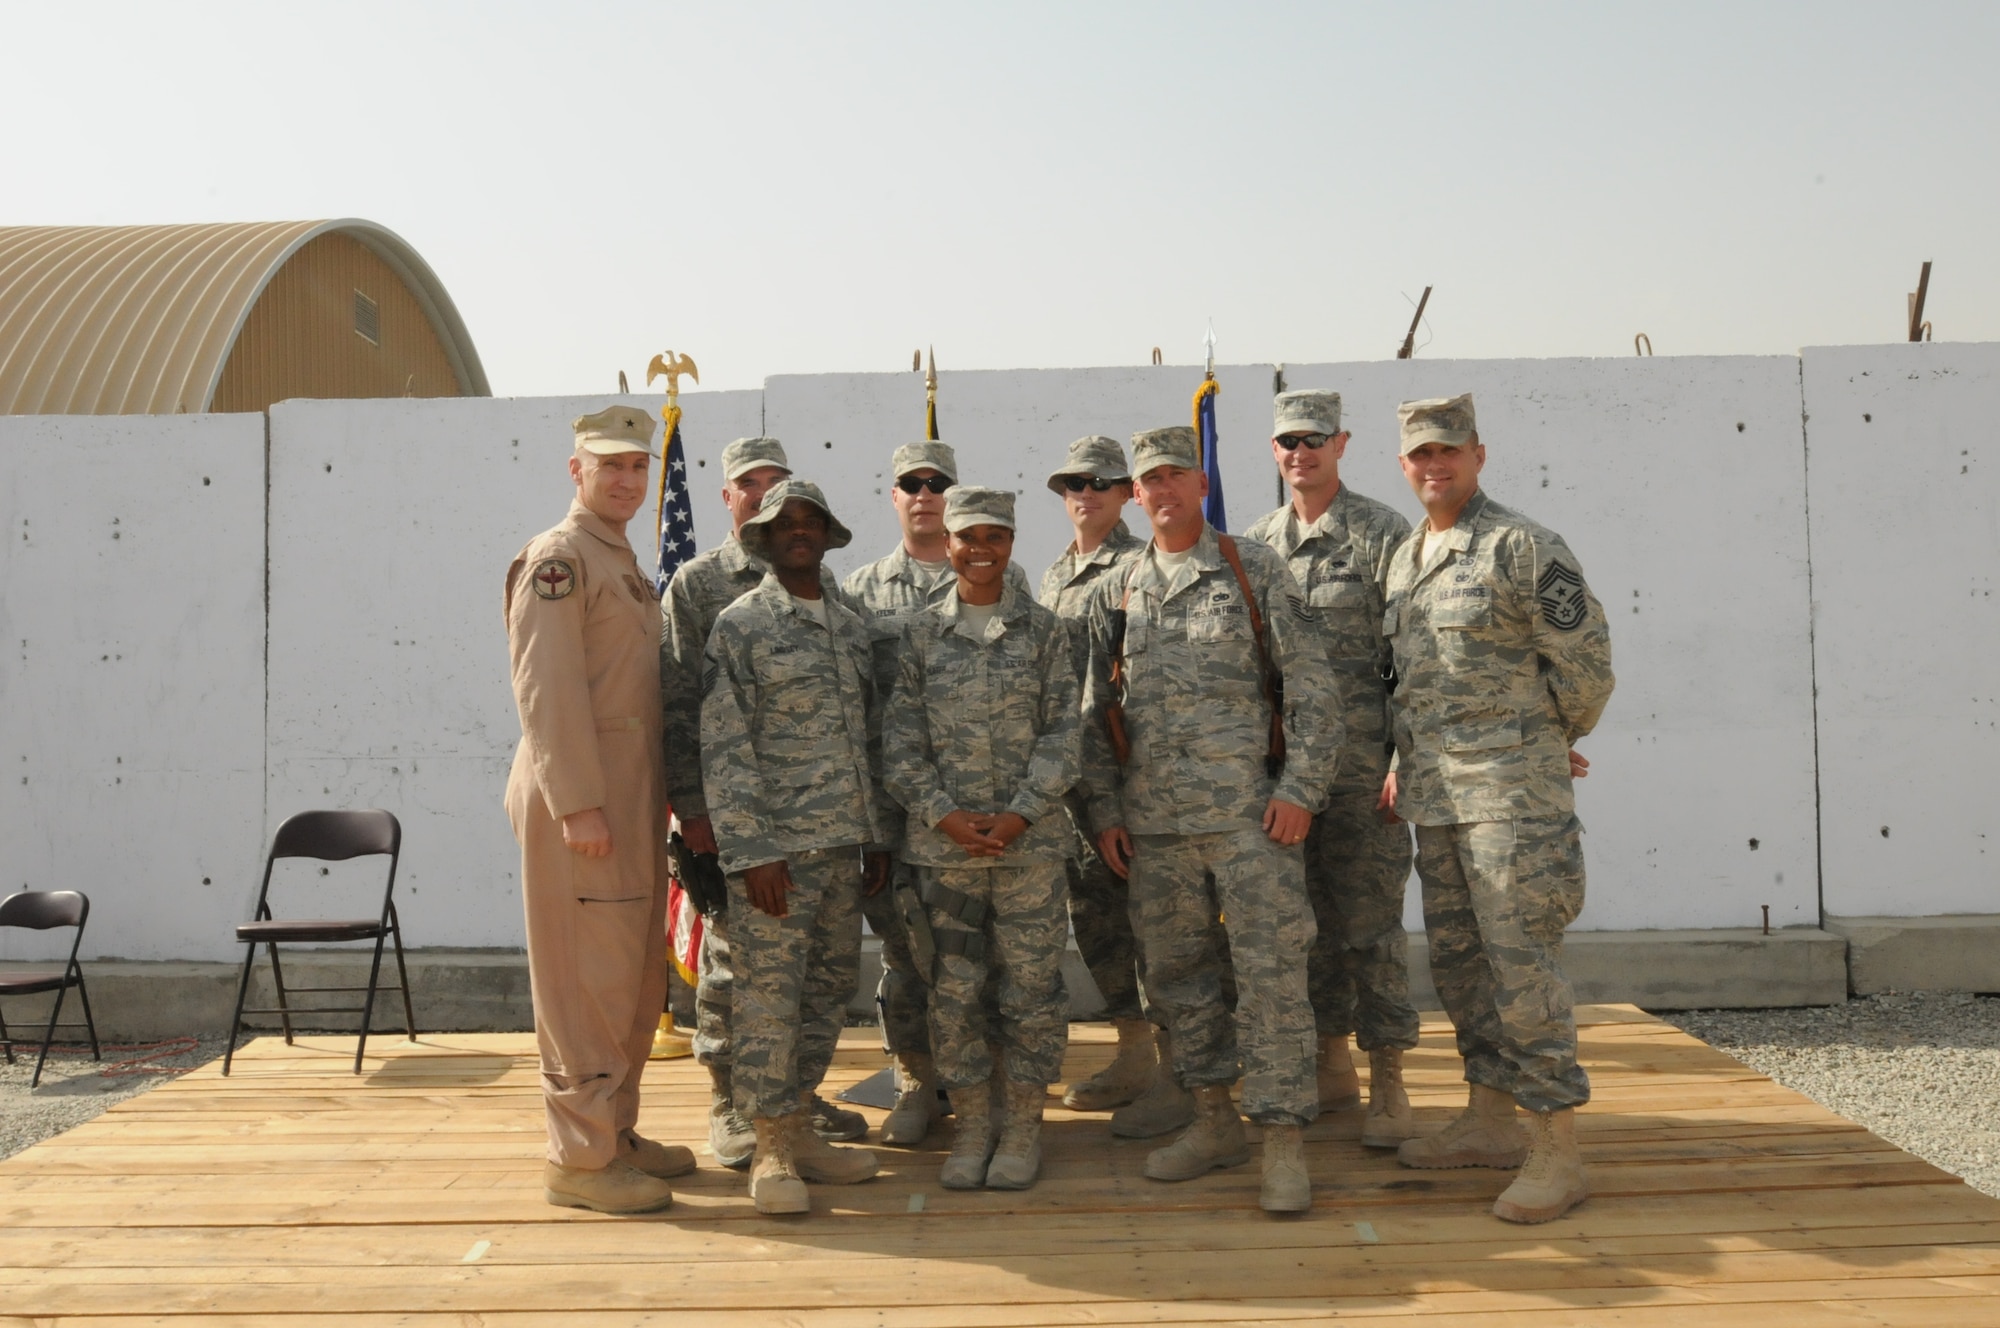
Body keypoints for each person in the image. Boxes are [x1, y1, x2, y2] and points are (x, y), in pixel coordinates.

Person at [1080, 425, 1339, 1214]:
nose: (1162, 492)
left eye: (1175, 477)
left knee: (1271, 982)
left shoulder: (1252, 569)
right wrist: (1105, 811)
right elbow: (1093, 716)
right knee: (1180, 984)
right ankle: (1213, 1121)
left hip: (1249, 824)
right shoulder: (1118, 587)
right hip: (1155, 830)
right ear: (1134, 493)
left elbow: (1315, 693)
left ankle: (1284, 1142)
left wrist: (1300, 790)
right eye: (1147, 480)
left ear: (1202, 484)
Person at [1379, 393, 1614, 1225]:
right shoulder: (1406, 557)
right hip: (1437, 797)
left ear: (1478, 455)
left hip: (1513, 797)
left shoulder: (1522, 546)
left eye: (1448, 452)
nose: (1433, 467)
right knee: (1462, 966)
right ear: (1403, 466)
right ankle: (1488, 1118)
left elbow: (1585, 662)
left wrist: (1543, 741)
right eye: (1419, 456)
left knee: (1522, 969)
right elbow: (1404, 678)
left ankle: (1558, 1149)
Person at [503, 405, 698, 1214]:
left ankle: (614, 1131)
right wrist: (578, 804)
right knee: (585, 978)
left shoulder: (614, 557)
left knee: (626, 973)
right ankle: (579, 1160)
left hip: (626, 798)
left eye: (636, 468)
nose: (625, 479)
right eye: (608, 465)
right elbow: (545, 689)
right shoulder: (561, 559)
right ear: (575, 470)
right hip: (580, 805)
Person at [659, 437, 867, 1169]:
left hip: (834, 833)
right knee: (737, 973)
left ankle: (789, 1108)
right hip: (745, 824)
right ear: (731, 498)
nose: (767, 495)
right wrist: (703, 816)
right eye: (753, 484)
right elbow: (687, 707)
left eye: (779, 482)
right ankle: (734, 1102)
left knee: (820, 977)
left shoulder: (840, 605)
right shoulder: (706, 590)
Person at [701, 478, 889, 1214]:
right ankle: (771, 1145)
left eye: (813, 522)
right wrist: (750, 852)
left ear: (828, 534)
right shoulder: (742, 626)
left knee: (823, 995)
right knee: (768, 1004)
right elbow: (724, 744)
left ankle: (803, 1122)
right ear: (766, 540)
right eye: (786, 524)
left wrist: (871, 833)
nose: (800, 532)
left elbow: (865, 736)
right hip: (777, 856)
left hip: (844, 848)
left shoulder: (849, 625)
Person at [883, 485, 1079, 1191]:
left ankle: (1023, 1125)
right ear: (950, 543)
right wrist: (944, 814)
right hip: (947, 852)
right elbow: (900, 740)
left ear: (1012, 541)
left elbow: (1066, 730)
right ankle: (971, 1124)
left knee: (1031, 990)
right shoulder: (916, 633)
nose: (981, 550)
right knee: (955, 990)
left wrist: (1023, 811)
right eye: (969, 537)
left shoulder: (1046, 631)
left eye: (995, 536)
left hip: (1031, 849)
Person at [1242, 390, 1421, 1147]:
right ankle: (1329, 1060)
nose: (1299, 452)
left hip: (1361, 769)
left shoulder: (1381, 533)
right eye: (1287, 440)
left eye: (1314, 438)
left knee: (1370, 926)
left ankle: (1388, 1079)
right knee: (1300, 921)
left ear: (1342, 443)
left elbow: (1417, 653)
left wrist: (1406, 754)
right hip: (1285, 775)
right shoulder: (1253, 545)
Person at [842, 440, 1026, 1145]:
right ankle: (916, 1079)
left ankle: (993, 1085)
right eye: (909, 483)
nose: (923, 493)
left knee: (991, 959)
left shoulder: (1007, 585)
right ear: (893, 497)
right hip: (898, 812)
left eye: (937, 482)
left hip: (985, 810)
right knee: (906, 956)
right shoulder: (860, 592)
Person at [1037, 436, 1184, 1134]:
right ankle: (1131, 1051)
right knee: (1095, 922)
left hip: (1130, 783)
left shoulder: (1138, 569)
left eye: (1101, 482)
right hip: (1068, 787)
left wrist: (1109, 797)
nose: (1085, 493)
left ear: (1127, 494)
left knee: (1157, 927)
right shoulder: (1052, 576)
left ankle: (1175, 1064)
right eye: (1073, 483)